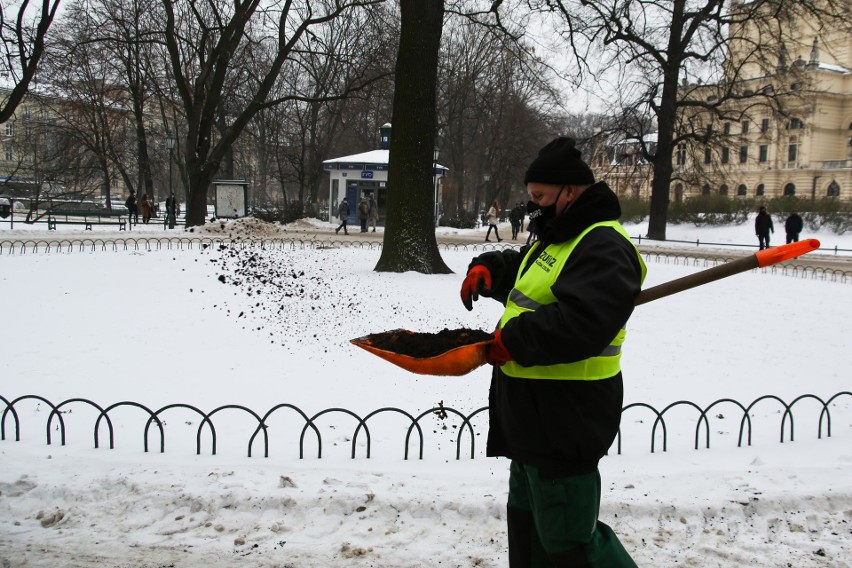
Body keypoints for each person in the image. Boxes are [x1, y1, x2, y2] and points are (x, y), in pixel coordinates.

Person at [459, 136, 645, 567]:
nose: (534, 207)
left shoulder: (604, 246)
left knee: (569, 546)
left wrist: (514, 341)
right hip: (528, 423)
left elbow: (582, 323)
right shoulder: (558, 236)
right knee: (527, 535)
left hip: (565, 423)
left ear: (570, 190)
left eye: (541, 197)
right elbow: (531, 282)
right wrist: (491, 268)